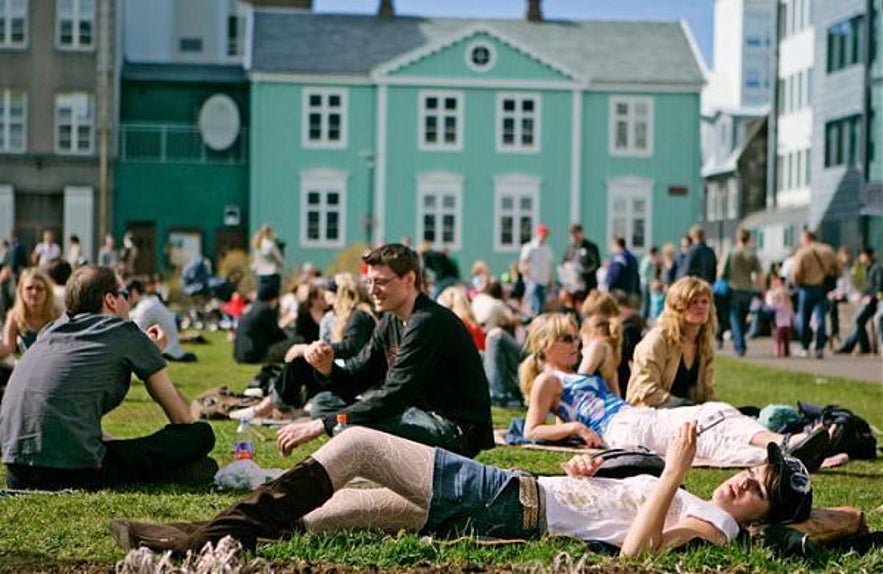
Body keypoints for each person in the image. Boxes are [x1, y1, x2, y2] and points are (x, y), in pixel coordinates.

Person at [109, 424, 814, 558]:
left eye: (752, 488)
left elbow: (634, 556)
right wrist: (590, 474)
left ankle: (202, 537)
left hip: (508, 501)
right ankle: (210, 538)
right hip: (519, 497)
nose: (737, 481)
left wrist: (668, 476)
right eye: (748, 472)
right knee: (335, 517)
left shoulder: (713, 529)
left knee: (356, 446)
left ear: (755, 518)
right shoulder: (708, 506)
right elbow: (618, 510)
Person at [519, 313, 830, 470]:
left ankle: (784, 452)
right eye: (567, 339)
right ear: (545, 346)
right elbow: (533, 430)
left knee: (710, 435)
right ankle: (787, 445)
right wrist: (575, 427)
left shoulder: (573, 375)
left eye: (576, 338)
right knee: (711, 415)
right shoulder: (548, 380)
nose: (576, 344)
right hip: (621, 427)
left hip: (632, 418)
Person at [0, 265, 216, 490]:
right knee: (200, 435)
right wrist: (150, 353)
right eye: (125, 295)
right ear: (111, 300)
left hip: (17, 472)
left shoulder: (48, 333)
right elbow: (182, 418)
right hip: (75, 472)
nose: (128, 302)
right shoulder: (126, 333)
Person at [272, 243, 495, 459]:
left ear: (409, 280)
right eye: (369, 282)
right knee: (326, 405)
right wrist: (327, 368)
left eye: (380, 282)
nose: (372, 291)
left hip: (455, 431)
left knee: (352, 424)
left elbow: (394, 395)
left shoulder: (427, 321)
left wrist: (323, 424)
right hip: (416, 415)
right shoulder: (391, 320)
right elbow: (359, 376)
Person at [627, 277, 716, 409]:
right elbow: (647, 391)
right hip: (649, 414)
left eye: (704, 302)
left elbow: (706, 393)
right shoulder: (657, 340)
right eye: (693, 302)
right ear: (677, 306)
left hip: (688, 417)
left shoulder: (703, 343)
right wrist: (688, 407)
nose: (700, 307)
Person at [790, 229, 840, 359]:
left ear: (806, 239)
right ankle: (819, 348)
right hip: (822, 288)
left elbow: (796, 273)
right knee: (820, 318)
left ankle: (805, 347)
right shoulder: (828, 250)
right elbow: (838, 269)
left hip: (806, 288)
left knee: (804, 319)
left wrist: (798, 282)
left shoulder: (803, 252)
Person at [128, 279, 197, 363]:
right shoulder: (149, 302)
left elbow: (135, 329)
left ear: (134, 292)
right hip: (171, 348)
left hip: (167, 351)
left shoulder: (145, 306)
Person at [722, 228, 766, 357]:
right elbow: (759, 274)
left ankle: (739, 346)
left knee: (735, 318)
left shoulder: (731, 252)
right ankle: (742, 343)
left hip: (734, 289)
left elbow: (722, 272)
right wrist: (762, 290)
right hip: (748, 290)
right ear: (748, 238)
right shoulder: (752, 254)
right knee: (743, 318)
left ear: (738, 237)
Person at [0, 268, 60, 360]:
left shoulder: (58, 315)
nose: (34, 292)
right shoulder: (14, 316)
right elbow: (8, 347)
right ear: (21, 292)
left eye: (39, 289)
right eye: (29, 288)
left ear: (47, 292)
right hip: (25, 369)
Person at [836, 248, 882, 355]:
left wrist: (870, 296)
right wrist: (863, 294)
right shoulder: (868, 268)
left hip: (874, 302)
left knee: (859, 320)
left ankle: (863, 347)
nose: (860, 258)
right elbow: (869, 287)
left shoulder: (877, 268)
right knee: (858, 320)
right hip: (869, 299)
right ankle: (851, 346)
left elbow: (879, 287)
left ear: (867, 256)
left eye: (861, 255)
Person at [233, 281, 288, 364]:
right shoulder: (266, 310)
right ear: (274, 298)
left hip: (239, 355)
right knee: (297, 341)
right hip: (254, 355)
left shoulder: (250, 308)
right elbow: (277, 334)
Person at [577, 314, 621, 396]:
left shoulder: (597, 346)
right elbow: (615, 392)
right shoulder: (609, 349)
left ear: (587, 333)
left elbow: (580, 379)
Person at [519, 224, 555, 317]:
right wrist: (525, 272)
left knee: (541, 304)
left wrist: (550, 279)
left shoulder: (547, 249)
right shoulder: (529, 247)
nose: (543, 237)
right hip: (532, 280)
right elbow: (522, 263)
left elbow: (549, 265)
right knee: (532, 303)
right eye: (542, 234)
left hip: (543, 280)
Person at [562, 223, 601, 305]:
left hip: (588, 284)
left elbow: (596, 265)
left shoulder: (591, 247)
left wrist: (582, 274)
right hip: (572, 286)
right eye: (572, 234)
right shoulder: (569, 248)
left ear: (581, 233)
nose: (574, 237)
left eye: (576, 234)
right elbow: (564, 262)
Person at [251, 224, 285, 297]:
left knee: (262, 296)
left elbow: (255, 261)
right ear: (270, 233)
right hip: (272, 274)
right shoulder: (271, 245)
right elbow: (279, 259)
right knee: (273, 297)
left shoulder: (257, 244)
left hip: (260, 274)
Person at [604, 237, 639, 304]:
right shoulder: (632, 257)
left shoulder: (619, 258)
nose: (612, 249)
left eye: (613, 246)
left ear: (617, 245)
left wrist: (608, 286)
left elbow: (614, 275)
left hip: (618, 292)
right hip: (631, 290)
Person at [767, 276, 795, 358]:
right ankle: (784, 351)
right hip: (784, 323)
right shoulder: (786, 305)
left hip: (781, 324)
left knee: (780, 338)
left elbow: (771, 306)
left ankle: (780, 351)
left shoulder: (780, 305)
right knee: (784, 338)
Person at [638, 246, 660, 321]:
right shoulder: (648, 260)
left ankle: (645, 318)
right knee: (646, 301)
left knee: (648, 301)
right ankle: (642, 318)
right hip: (645, 283)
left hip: (648, 283)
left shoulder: (650, 260)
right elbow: (643, 272)